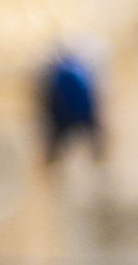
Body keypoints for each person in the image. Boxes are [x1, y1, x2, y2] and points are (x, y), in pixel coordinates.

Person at [35, 39, 106, 171]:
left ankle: (50, 170)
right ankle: (100, 165)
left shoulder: (54, 72)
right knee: (95, 144)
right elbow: (92, 95)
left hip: (61, 117)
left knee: (54, 150)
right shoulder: (81, 71)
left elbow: (43, 97)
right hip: (82, 114)